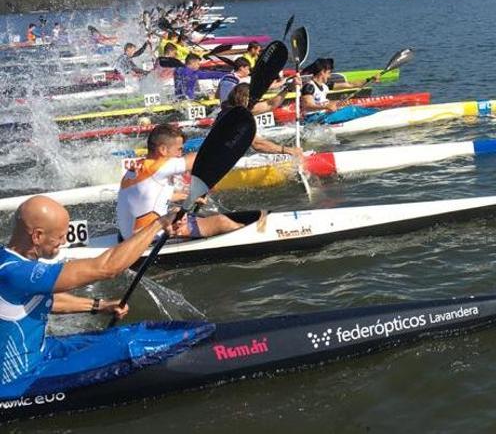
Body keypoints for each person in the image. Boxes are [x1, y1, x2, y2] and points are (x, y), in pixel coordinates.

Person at [0, 196, 188, 396]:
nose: (64, 242)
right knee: (129, 346)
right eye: (60, 236)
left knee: (121, 335)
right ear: (37, 236)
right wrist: (159, 223)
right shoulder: (17, 274)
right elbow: (107, 267)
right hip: (20, 379)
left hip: (41, 352)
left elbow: (36, 301)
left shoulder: (8, 260)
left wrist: (98, 306)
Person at [116, 124, 243, 241]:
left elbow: (150, 197)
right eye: (179, 149)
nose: (180, 154)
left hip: (129, 235)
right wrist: (229, 141)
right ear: (163, 150)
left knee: (183, 213)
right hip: (148, 238)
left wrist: (188, 196)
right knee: (222, 222)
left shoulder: (140, 168)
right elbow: (199, 158)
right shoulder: (158, 167)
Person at [220, 83, 303, 156]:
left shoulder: (234, 107)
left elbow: (269, 104)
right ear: (245, 99)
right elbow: (257, 145)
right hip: (224, 159)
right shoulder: (237, 117)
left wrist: (288, 88)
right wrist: (288, 150)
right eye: (252, 98)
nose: (255, 100)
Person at [300, 58, 379, 114]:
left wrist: (369, 80)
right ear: (322, 72)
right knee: (352, 110)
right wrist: (326, 106)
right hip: (313, 119)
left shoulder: (326, 85)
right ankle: (376, 114)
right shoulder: (309, 87)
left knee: (349, 107)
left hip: (323, 115)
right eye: (329, 73)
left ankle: (375, 113)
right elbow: (307, 106)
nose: (329, 76)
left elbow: (350, 84)